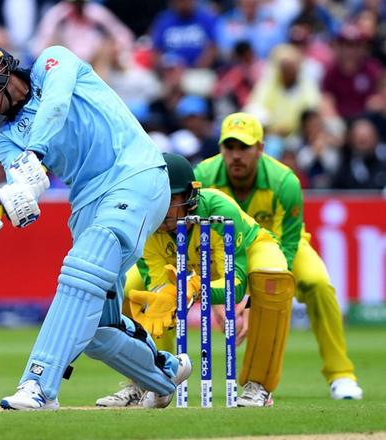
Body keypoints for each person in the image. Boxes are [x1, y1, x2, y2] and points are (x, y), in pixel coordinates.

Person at [0, 41, 190, 410]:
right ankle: (163, 372)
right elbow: (27, 185)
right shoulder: (7, 139)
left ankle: (38, 385)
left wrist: (36, 155)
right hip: (88, 203)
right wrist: (17, 198)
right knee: (95, 327)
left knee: (80, 272)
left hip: (134, 173)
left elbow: (56, 105)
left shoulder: (53, 62)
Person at [97, 153, 295, 408]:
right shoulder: (146, 224)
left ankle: (260, 386)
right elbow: (161, 289)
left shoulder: (219, 211)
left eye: (169, 199)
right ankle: (150, 379)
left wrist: (196, 289)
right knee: (130, 289)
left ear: (190, 197)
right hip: (189, 265)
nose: (160, 208)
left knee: (273, 280)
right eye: (154, 199)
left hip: (250, 249)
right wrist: (168, 297)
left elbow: (235, 284)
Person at [194, 112, 363, 400]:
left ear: (260, 148)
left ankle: (341, 375)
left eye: (244, 148)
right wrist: (219, 300)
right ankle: (156, 378)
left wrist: (248, 301)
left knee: (318, 282)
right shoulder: (203, 177)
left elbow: (285, 250)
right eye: (229, 147)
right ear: (220, 148)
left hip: (278, 249)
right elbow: (200, 243)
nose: (236, 156)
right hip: (224, 251)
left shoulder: (285, 182)